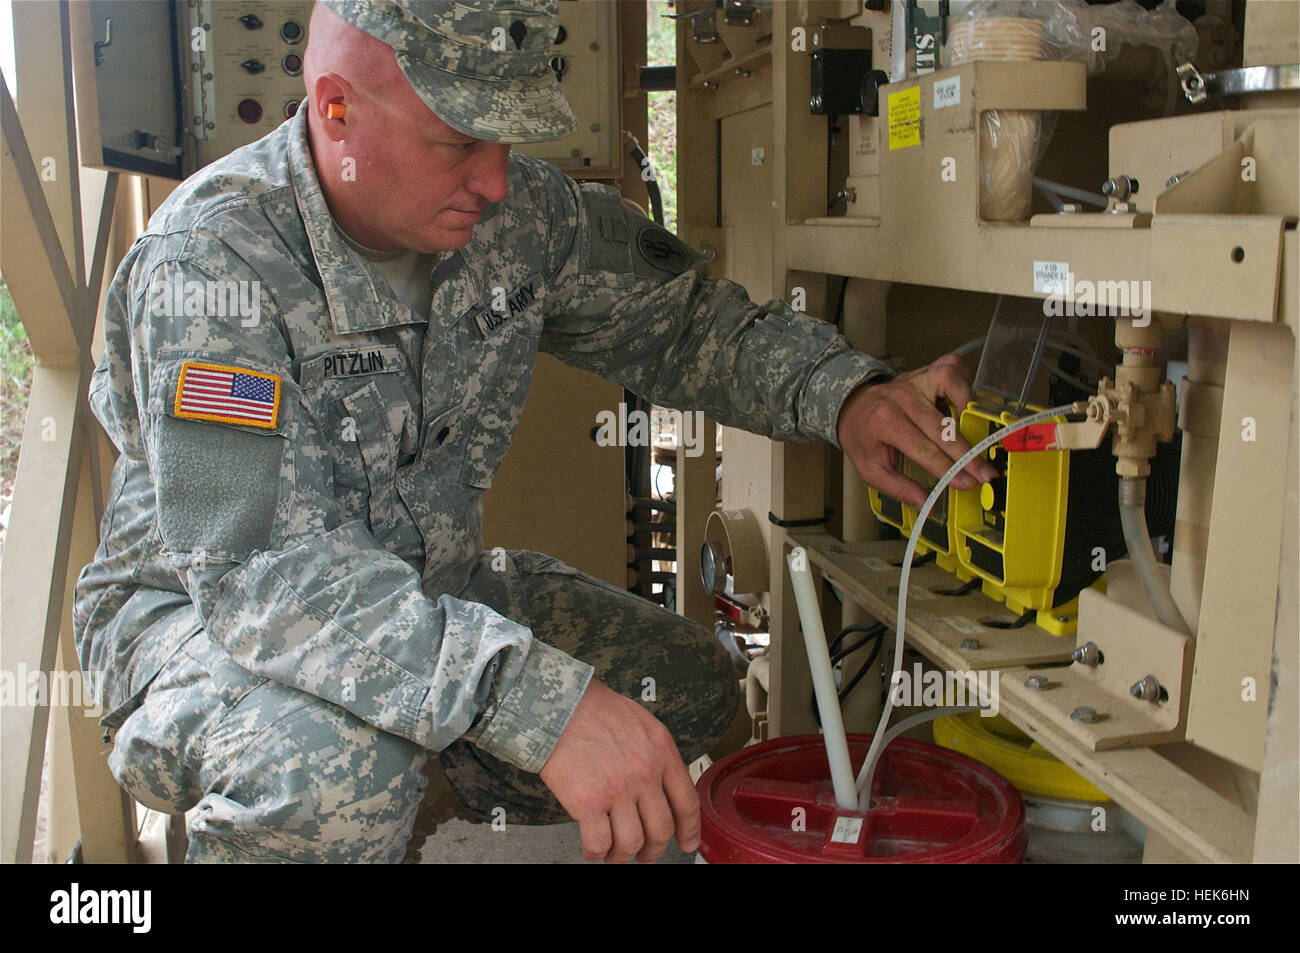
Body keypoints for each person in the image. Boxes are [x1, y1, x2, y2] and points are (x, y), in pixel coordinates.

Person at [73, 0, 994, 864]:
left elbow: (682, 325)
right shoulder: (210, 264)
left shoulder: (519, 219)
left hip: (426, 592)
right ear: (337, 109)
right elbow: (261, 574)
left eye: (507, 138)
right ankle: (361, 802)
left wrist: (846, 396)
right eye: (461, 140)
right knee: (333, 775)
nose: (496, 179)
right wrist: (534, 703)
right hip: (200, 622)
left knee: (682, 688)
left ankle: (410, 788)